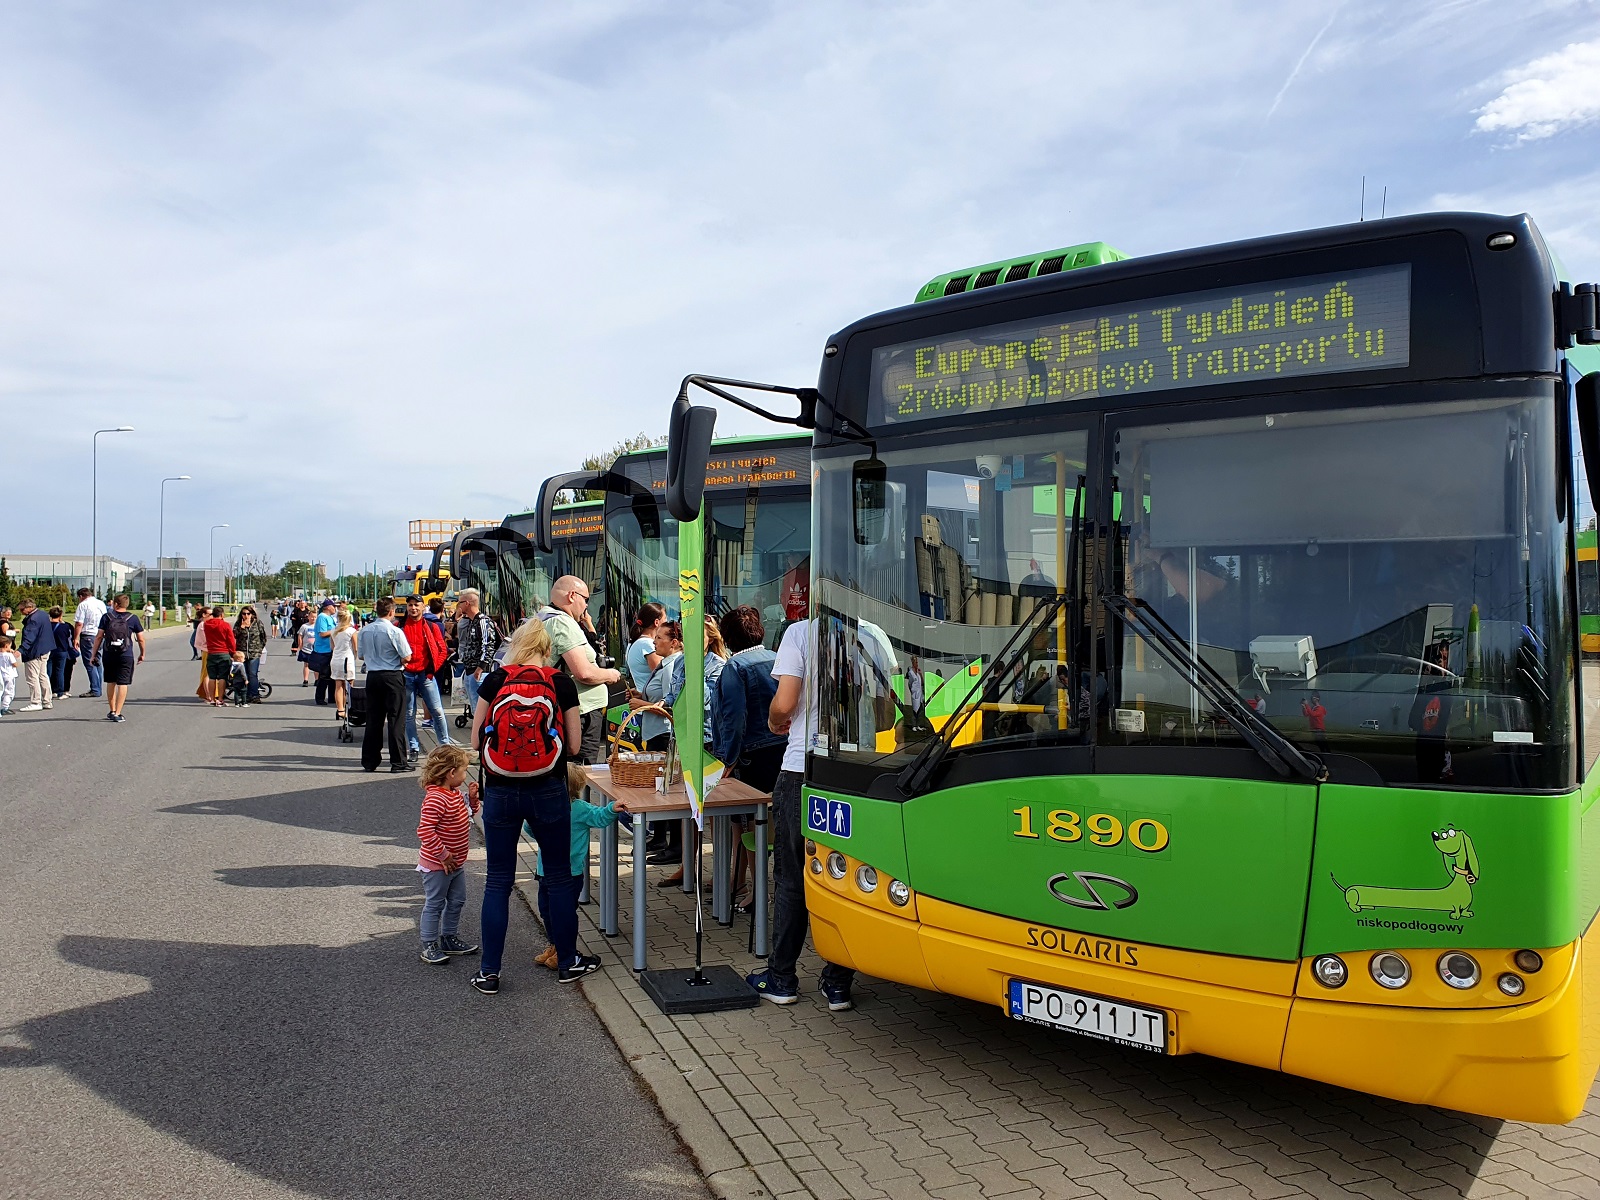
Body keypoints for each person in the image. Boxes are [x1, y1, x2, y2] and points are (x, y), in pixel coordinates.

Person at [469, 617, 598, 992]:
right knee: (558, 877)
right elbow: (573, 747)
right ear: (548, 649)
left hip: (500, 792)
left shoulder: (494, 680)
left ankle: (489, 971)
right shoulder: (559, 682)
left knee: (498, 881)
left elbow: (477, 740)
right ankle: (568, 961)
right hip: (548, 791)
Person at [748, 617, 856, 1011]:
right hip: (855, 773)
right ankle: (839, 982)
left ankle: (781, 978)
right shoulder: (873, 635)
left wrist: (776, 720)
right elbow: (882, 706)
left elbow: (786, 702)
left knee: (793, 878)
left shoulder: (800, 633)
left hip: (802, 770)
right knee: (843, 879)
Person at [532, 763, 627, 969]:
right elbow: (601, 818)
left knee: (550, 911)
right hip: (565, 872)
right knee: (558, 912)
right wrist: (612, 808)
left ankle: (563, 949)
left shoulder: (552, 806)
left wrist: (611, 809)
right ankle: (559, 947)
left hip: (552, 871)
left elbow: (528, 827)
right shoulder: (578, 808)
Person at [539, 575, 623, 765]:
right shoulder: (563, 623)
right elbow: (583, 672)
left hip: (561, 708)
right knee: (579, 774)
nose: (586, 606)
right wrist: (611, 675)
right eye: (585, 599)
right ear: (571, 596)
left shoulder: (542, 617)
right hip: (580, 713)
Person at [415, 745, 482, 965]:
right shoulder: (436, 798)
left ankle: (449, 938)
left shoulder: (454, 794)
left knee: (457, 900)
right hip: (438, 865)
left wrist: (471, 799)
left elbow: (469, 813)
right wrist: (443, 855)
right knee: (435, 904)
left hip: (455, 863)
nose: (466, 775)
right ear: (451, 773)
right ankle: (429, 944)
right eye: (463, 770)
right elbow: (425, 831)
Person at [711, 606, 785, 791]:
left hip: (752, 751)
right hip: (784, 744)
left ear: (727, 637)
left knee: (747, 812)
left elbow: (734, 716)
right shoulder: (777, 658)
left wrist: (729, 758)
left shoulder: (734, 667)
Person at [398, 595, 454, 762]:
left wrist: (432, 669)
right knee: (409, 713)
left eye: (416, 605)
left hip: (425, 675)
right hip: (407, 674)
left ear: (423, 607)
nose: (413, 608)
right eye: (410, 605)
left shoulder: (431, 626)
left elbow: (442, 650)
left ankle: (445, 747)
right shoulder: (399, 626)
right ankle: (414, 748)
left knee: (437, 711)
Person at [359, 598, 412, 772]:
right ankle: (398, 762)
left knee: (373, 719)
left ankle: (370, 760)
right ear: (391, 612)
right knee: (396, 719)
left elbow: (361, 656)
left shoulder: (364, 631)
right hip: (392, 675)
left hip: (373, 675)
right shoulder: (395, 631)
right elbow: (407, 656)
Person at [90, 594, 146, 722]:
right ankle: (119, 712)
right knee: (123, 683)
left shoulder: (106, 617)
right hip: (125, 654)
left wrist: (93, 654)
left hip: (109, 653)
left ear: (115, 604)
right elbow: (141, 639)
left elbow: (99, 636)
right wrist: (142, 653)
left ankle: (112, 710)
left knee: (111, 682)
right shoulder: (133, 619)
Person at [452, 588, 500, 717]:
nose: (459, 606)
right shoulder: (472, 621)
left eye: (460, 603)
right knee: (475, 709)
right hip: (471, 670)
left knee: (481, 711)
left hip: (478, 673)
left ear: (467, 603)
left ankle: (481, 735)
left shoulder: (483, 621)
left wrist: (480, 668)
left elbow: (488, 645)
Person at [16, 599, 54, 712]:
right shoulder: (42, 614)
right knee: (43, 675)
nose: (21, 612)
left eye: (22, 610)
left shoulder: (33, 620)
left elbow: (30, 637)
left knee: (32, 677)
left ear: (29, 608)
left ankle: (36, 701)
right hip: (45, 649)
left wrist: (21, 650)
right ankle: (47, 700)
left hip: (34, 651)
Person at [72, 588, 108, 698]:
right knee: (98, 660)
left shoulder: (83, 605)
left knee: (89, 662)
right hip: (100, 634)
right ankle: (98, 686)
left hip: (88, 635)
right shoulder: (100, 603)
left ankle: (95, 688)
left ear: (81, 596)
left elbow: (79, 623)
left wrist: (76, 638)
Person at [626, 602, 667, 694]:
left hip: (645, 696)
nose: (667, 622)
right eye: (665, 618)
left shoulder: (634, 642)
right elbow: (661, 677)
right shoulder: (647, 645)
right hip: (653, 700)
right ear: (657, 622)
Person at [203, 605, 237, 707]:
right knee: (222, 677)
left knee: (212, 677)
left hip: (212, 653)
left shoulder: (206, 624)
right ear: (222, 614)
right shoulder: (225, 625)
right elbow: (230, 640)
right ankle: (220, 699)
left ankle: (212, 699)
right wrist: (233, 652)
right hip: (223, 653)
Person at [328, 609, 359, 719]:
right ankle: (350, 707)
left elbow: (332, 647)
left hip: (336, 659)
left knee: (338, 686)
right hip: (348, 659)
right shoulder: (351, 631)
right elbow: (355, 647)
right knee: (349, 685)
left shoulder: (333, 631)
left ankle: (340, 709)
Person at [233, 605, 268, 702]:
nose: (246, 616)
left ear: (252, 614)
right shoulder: (238, 623)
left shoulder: (257, 623)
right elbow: (234, 635)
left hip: (254, 653)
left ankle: (254, 695)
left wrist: (259, 649)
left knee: (253, 674)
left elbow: (263, 637)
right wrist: (241, 627)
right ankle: (246, 695)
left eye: (248, 614)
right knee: (244, 674)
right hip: (242, 654)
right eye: (244, 614)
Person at [310, 600, 338, 706]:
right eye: (333, 606)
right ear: (328, 607)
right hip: (323, 650)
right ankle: (320, 698)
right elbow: (322, 633)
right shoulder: (322, 617)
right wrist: (336, 631)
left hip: (330, 649)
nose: (335, 608)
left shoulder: (330, 618)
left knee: (332, 675)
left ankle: (332, 697)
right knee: (324, 676)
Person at [48, 607, 79, 700]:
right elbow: (70, 639)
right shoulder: (66, 626)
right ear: (61, 615)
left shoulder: (46, 626)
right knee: (60, 671)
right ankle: (60, 691)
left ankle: (50, 690)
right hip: (62, 650)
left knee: (49, 671)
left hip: (49, 650)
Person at [192, 610, 212, 700]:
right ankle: (207, 694)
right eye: (210, 614)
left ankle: (209, 693)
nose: (212, 616)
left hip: (208, 650)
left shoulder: (205, 624)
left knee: (209, 673)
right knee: (207, 673)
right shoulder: (203, 625)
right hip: (207, 650)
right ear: (204, 615)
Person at [0, 635, 18, 716]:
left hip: (1, 675)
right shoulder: (9, 655)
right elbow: (15, 664)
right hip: (9, 675)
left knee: (2, 690)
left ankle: (3, 704)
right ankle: (5, 707)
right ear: (6, 646)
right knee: (9, 692)